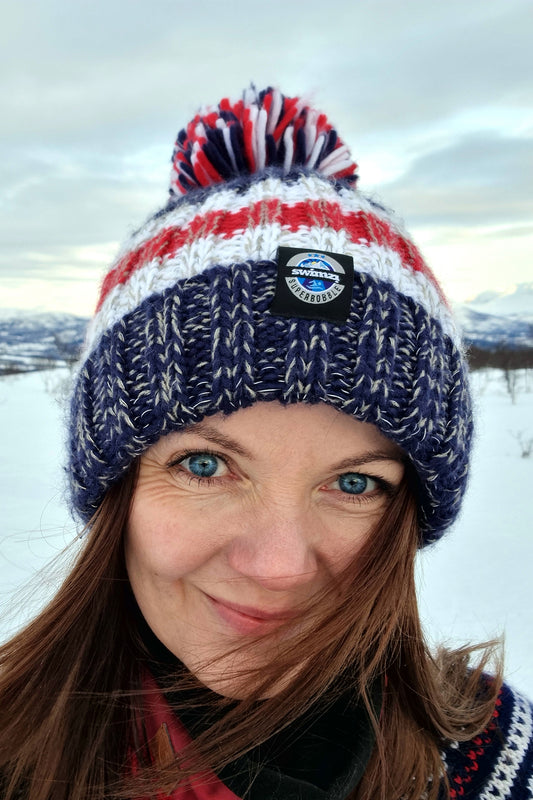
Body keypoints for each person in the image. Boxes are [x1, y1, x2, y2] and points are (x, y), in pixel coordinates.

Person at [0, 86, 531, 800]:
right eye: (205, 464)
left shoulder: (496, 758)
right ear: (116, 486)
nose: (278, 566)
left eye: (354, 483)